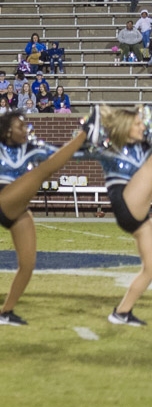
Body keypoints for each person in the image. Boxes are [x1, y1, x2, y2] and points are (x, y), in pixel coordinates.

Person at [0, 102, 88, 323]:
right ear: (7, 131)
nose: (26, 130)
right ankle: (84, 133)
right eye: (20, 126)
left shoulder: (33, 149)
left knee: (28, 265)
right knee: (44, 170)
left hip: (20, 210)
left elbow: (63, 153)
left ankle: (5, 312)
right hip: (1, 201)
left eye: (26, 126)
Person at [78, 106, 152, 325]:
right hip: (125, 205)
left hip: (140, 217)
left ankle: (121, 313)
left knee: (150, 269)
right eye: (137, 124)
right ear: (125, 127)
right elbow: (77, 150)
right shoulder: (109, 149)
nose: (142, 126)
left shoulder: (145, 147)